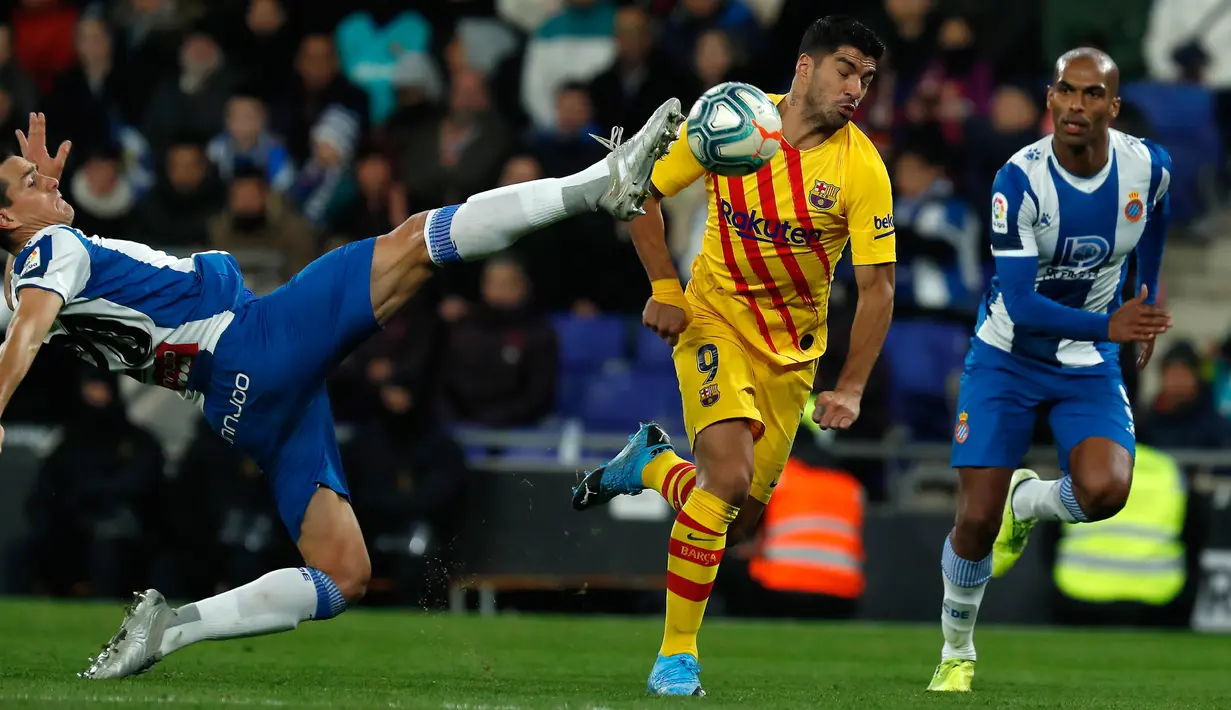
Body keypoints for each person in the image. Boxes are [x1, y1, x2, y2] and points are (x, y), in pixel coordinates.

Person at [0, 98, 685, 679]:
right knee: (416, 240)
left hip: (234, 402)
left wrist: (42, 199)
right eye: (32, 179)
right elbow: (24, 336)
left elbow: (20, 318)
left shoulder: (25, 278)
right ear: (9, 221)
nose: (50, 178)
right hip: (250, 343)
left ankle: (169, 630)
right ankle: (600, 183)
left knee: (343, 574)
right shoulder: (48, 254)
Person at [570, 16, 896, 696]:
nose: (855, 88)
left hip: (791, 357)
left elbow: (877, 286)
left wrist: (852, 387)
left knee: (736, 521)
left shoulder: (861, 167)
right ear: (804, 68)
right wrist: (665, 286)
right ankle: (674, 657)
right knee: (725, 478)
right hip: (714, 315)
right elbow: (638, 191)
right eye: (844, 69)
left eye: (866, 78)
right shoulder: (729, 119)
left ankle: (652, 465)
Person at [927, 48, 1173, 693]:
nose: (1076, 105)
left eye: (1093, 95)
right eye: (1066, 91)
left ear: (1112, 108)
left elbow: (1156, 221)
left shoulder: (1147, 167)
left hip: (1086, 363)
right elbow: (1024, 301)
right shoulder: (1019, 180)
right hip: (1007, 355)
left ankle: (1029, 500)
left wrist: (1146, 297)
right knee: (975, 522)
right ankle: (957, 651)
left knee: (1106, 492)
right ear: (1050, 98)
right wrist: (1111, 325)